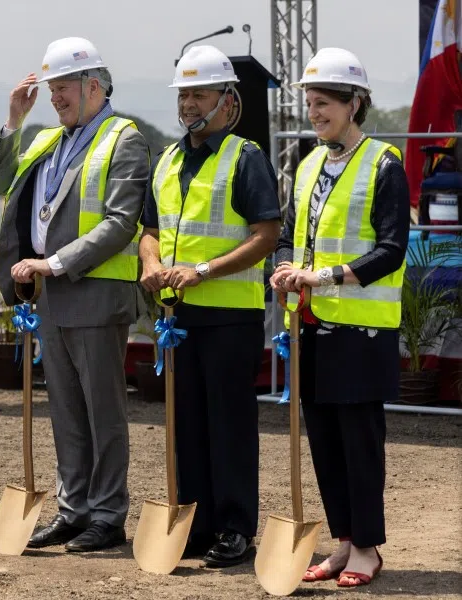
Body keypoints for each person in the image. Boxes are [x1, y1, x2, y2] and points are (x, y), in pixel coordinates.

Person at [0, 37, 149, 552]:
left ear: (93, 86)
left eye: (62, 88)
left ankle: (107, 513)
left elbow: (122, 222)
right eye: (50, 88)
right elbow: (0, 180)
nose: (53, 97)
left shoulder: (124, 139)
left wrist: (54, 263)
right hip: (51, 298)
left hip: (96, 294)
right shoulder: (45, 140)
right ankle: (73, 508)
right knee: (65, 411)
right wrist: (14, 121)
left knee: (104, 413)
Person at [138, 45, 281, 567]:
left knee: (229, 424)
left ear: (228, 100)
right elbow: (149, 231)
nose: (189, 104)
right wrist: (150, 262)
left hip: (229, 316)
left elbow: (266, 236)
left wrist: (201, 271)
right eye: (184, 94)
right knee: (186, 425)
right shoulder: (169, 159)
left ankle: (236, 528)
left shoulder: (246, 158)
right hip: (177, 317)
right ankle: (195, 525)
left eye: (199, 93)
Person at [272, 47, 408, 588]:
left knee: (358, 442)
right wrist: (285, 269)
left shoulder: (384, 164)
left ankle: (368, 548)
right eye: (310, 102)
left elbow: (393, 249)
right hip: (310, 327)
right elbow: (288, 238)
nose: (314, 112)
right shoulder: (307, 165)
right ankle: (343, 542)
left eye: (325, 102)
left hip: (361, 331)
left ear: (356, 103)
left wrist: (324, 277)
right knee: (324, 441)